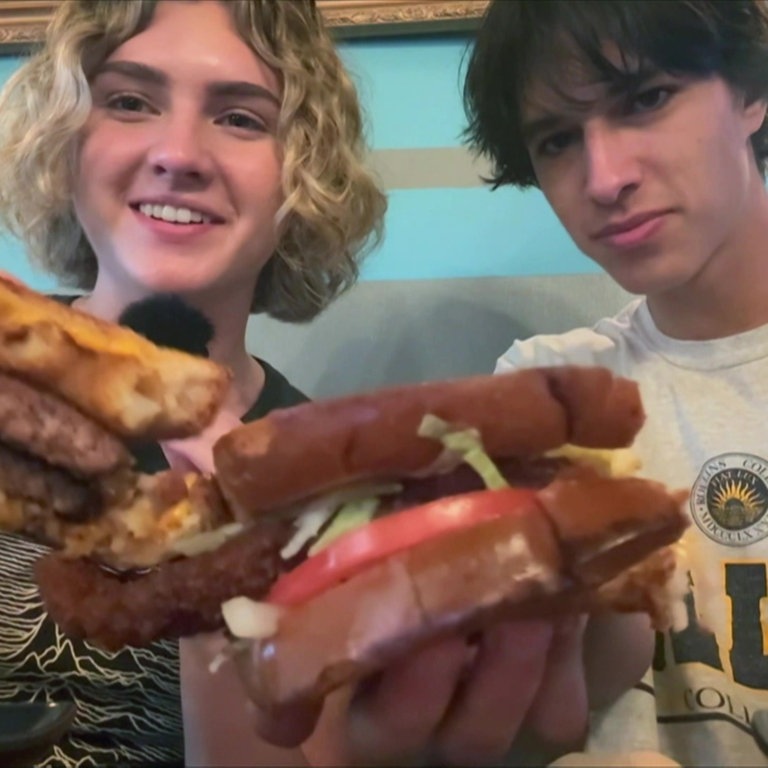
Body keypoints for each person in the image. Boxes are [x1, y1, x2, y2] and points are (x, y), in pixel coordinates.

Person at [0, 1, 385, 765]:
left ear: (303, 172)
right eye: (129, 101)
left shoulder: (332, 488)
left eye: (240, 118)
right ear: (67, 139)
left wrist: (230, 566)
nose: (179, 154)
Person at [459, 0, 768, 765]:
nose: (604, 178)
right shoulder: (542, 395)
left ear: (751, 92)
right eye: (558, 139)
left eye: (646, 99)